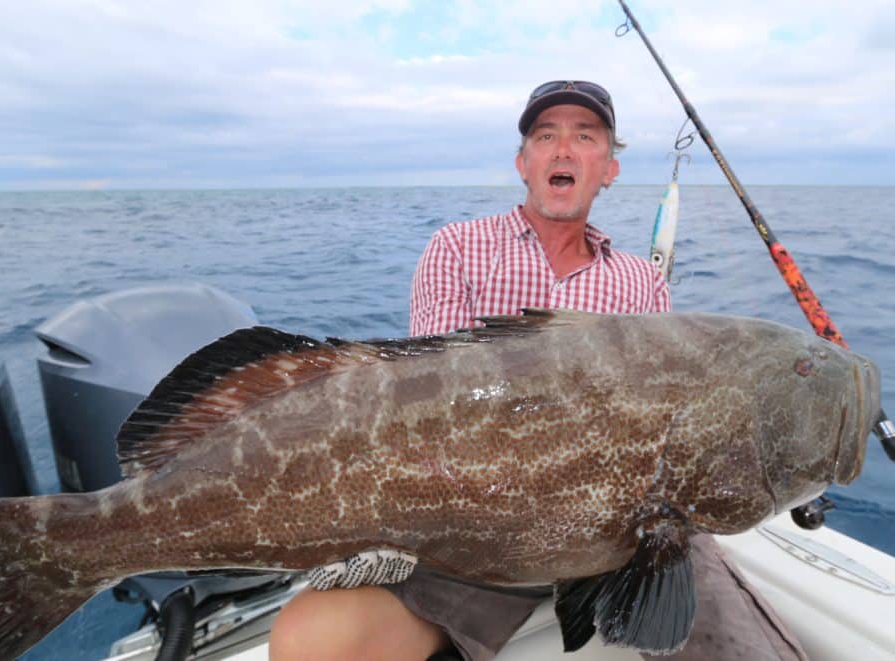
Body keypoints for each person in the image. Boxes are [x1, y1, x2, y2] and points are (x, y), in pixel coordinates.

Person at [269, 81, 807, 661]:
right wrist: (384, 527)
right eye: (545, 136)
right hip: (475, 534)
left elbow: (667, 423)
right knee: (310, 643)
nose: (563, 149)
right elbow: (423, 408)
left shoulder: (642, 282)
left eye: (585, 136)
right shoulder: (457, 248)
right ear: (523, 163)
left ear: (609, 169)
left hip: (617, 535)